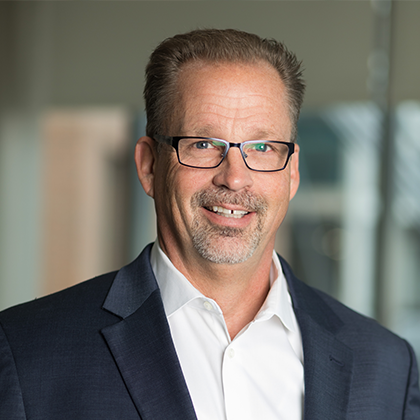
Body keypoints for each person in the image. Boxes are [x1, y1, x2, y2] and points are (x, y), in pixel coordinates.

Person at [0, 29, 419, 420]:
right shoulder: (26, 353)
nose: (234, 177)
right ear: (148, 166)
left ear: (291, 174)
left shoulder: (386, 367)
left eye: (262, 146)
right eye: (202, 144)